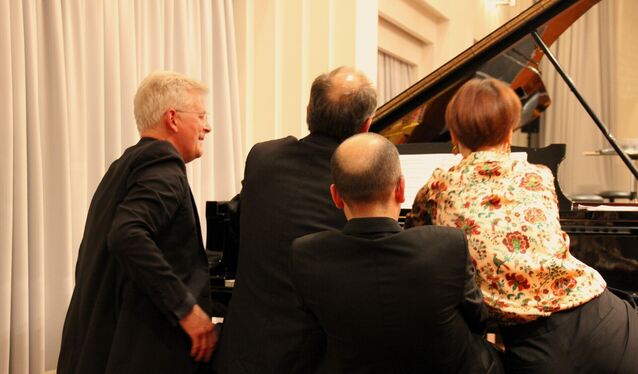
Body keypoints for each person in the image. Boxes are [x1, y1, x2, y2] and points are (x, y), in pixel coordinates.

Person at [405, 77, 638, 373]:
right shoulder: (538, 176)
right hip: (604, 318)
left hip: (540, 349)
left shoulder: (437, 188)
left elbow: (414, 248)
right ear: (509, 129)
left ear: (454, 131)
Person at [290, 133, 503, 373]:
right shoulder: (447, 244)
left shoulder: (307, 254)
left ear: (336, 197)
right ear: (401, 189)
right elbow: (479, 320)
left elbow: (312, 336)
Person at [215, 66, 377, 373]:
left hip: (241, 352)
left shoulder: (263, 158)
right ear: (366, 127)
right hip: (312, 359)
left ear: (308, 112)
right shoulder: (360, 183)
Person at [57, 71, 217, 374]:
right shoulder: (163, 163)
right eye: (201, 115)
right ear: (172, 119)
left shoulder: (122, 167)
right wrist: (186, 310)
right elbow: (127, 234)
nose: (207, 126)